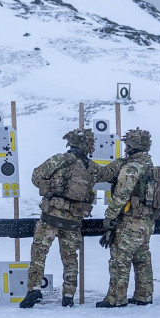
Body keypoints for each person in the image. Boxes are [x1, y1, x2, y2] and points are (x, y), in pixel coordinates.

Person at [20, 128, 120, 308]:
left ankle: (34, 289)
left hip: (50, 217)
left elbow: (36, 177)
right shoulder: (92, 168)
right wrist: (124, 161)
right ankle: (68, 295)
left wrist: (51, 186)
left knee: (38, 254)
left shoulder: (59, 159)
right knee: (70, 259)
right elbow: (109, 172)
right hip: (73, 221)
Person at [97, 128, 160, 308]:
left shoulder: (131, 168)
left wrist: (109, 218)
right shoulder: (150, 167)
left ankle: (115, 298)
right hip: (146, 221)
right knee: (142, 259)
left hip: (130, 221)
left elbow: (121, 195)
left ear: (131, 145)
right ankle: (144, 295)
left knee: (120, 260)